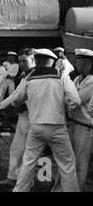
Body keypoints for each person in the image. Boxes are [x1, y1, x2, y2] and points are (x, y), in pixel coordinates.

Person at [10, 49, 81, 192]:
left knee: (28, 162)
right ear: (53, 61)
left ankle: (20, 190)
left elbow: (16, 100)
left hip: (36, 126)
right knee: (67, 164)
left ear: (36, 61)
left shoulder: (29, 78)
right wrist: (68, 110)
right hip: (58, 127)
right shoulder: (62, 77)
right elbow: (76, 101)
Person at [52, 48, 93, 192]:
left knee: (81, 162)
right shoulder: (76, 79)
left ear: (88, 63)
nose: (76, 64)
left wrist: (64, 96)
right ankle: (59, 189)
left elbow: (76, 100)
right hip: (72, 124)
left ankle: (77, 189)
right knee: (66, 160)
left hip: (84, 127)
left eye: (79, 62)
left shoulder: (92, 81)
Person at [0, 48, 35, 189]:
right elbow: (16, 95)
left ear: (33, 60)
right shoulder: (26, 75)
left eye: (25, 61)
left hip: (34, 119)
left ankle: (30, 182)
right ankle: (14, 178)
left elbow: (18, 98)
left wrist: (4, 107)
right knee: (17, 149)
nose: (22, 64)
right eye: (20, 61)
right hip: (24, 118)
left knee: (29, 153)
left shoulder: (34, 77)